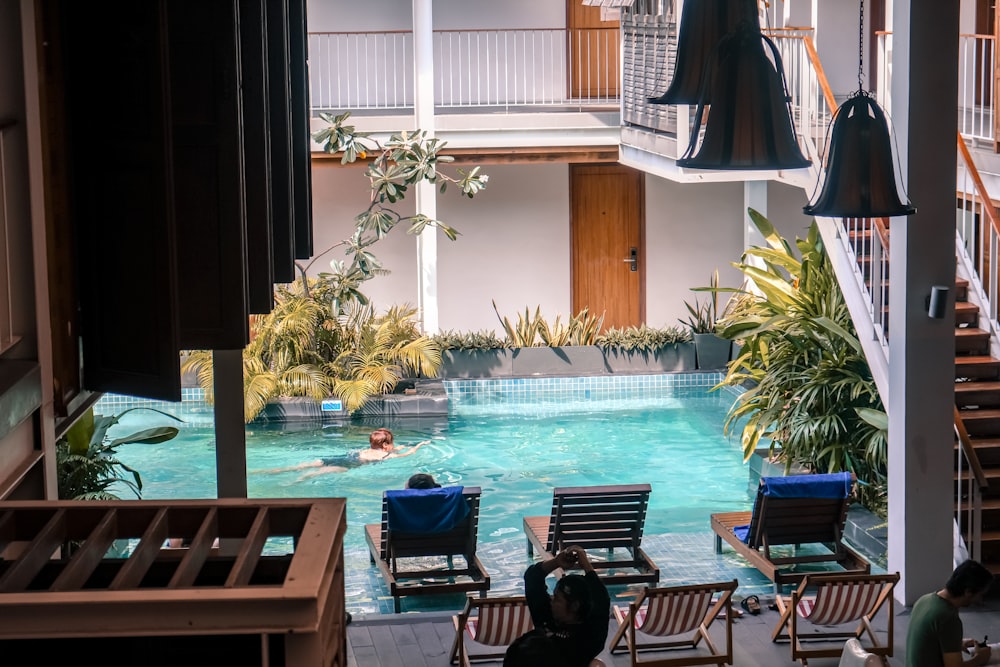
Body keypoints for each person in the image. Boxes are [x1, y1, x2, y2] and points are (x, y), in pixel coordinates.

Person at [507, 544, 611, 667]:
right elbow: (532, 578)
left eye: (557, 599)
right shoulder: (591, 636)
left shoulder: (588, 634)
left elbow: (601, 599)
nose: (551, 601)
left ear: (574, 606)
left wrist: (582, 566)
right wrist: (557, 562)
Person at [906, 559, 995, 667]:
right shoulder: (948, 618)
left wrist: (955, 643)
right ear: (968, 592)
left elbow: (929, 642)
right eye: (980, 594)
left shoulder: (925, 600)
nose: (980, 599)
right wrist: (979, 659)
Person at [260, 428, 428, 478]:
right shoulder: (386, 455)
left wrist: (398, 446)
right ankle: (300, 479)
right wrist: (418, 445)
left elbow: (391, 448)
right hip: (350, 465)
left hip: (344, 457)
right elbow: (408, 455)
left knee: (311, 465)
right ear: (386, 446)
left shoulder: (370, 450)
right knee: (316, 473)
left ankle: (278, 471)